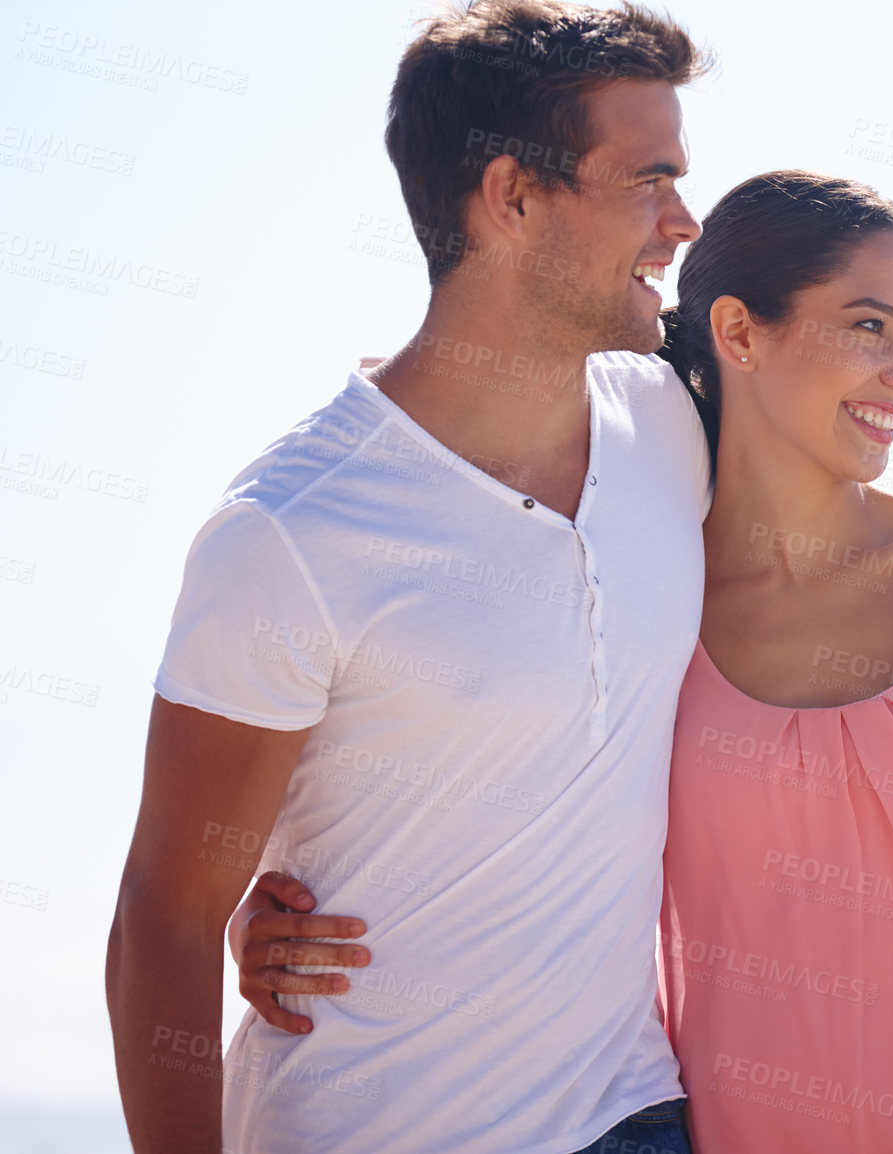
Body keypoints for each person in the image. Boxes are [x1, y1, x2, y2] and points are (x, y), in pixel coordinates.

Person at [235, 171, 893, 1151]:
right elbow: (473, 760)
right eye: (870, 328)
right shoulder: (641, 589)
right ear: (740, 333)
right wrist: (277, 893)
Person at [105, 5, 717, 1152]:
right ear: (513, 196)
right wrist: (247, 910)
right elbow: (167, 914)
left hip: (634, 1113)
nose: (683, 221)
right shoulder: (291, 530)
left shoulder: (675, 420)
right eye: (650, 180)